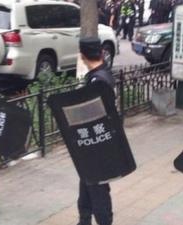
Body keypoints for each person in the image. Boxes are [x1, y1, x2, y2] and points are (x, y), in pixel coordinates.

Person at [77, 37, 115, 225]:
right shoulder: (103, 73)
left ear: (82, 56)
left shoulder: (97, 81)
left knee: (98, 188)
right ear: (100, 52)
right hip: (96, 141)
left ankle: (104, 222)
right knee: (86, 181)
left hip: (97, 143)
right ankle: (84, 219)